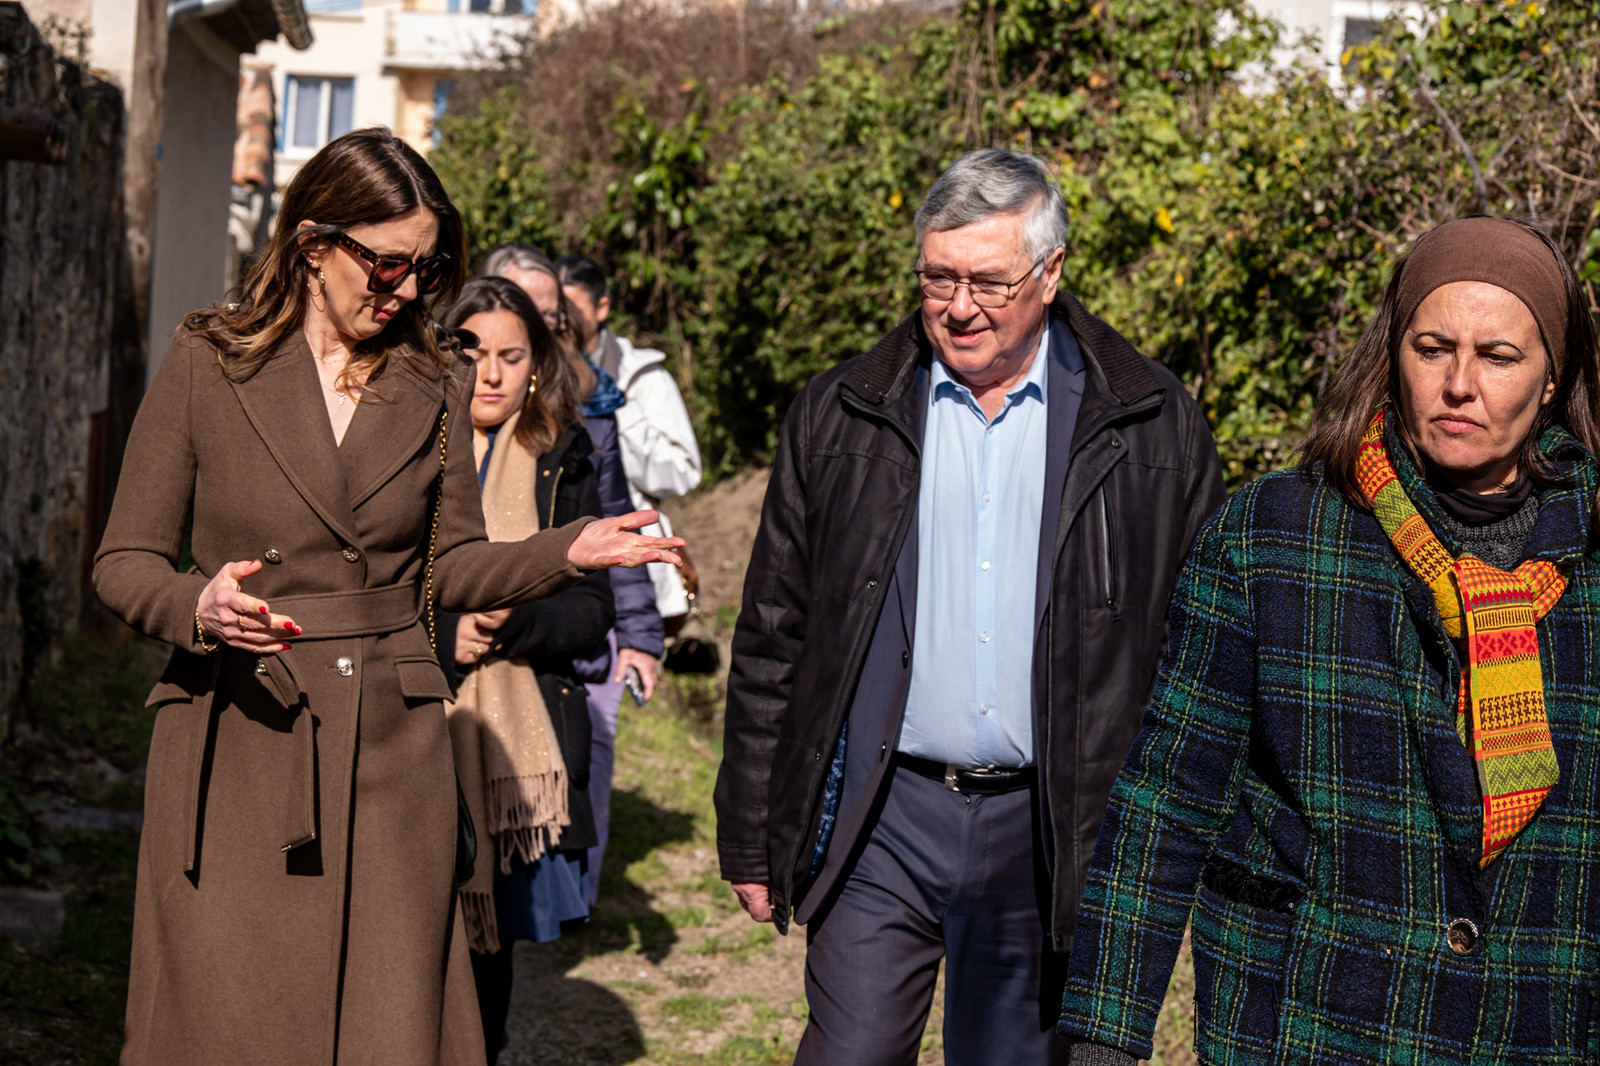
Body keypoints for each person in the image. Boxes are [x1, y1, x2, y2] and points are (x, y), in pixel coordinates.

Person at [92, 128, 681, 1066]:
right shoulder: (210, 358)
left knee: (384, 1024)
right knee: (225, 1025)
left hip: (391, 749)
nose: (405, 289)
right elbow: (124, 558)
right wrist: (198, 607)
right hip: (239, 735)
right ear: (314, 243)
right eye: (386, 263)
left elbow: (453, 565)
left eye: (426, 267)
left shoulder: (433, 377)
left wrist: (573, 548)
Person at [714, 148, 1225, 1064]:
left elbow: (1196, 657)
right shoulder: (844, 414)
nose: (959, 307)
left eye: (988, 282)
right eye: (938, 278)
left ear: (1051, 271)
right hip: (881, 818)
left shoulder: (1152, 424)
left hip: (1046, 834)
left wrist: (1163, 852)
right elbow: (775, 633)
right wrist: (752, 829)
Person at [1058, 216, 1600, 1065]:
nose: (1460, 383)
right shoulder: (1271, 536)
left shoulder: (1590, 557)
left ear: (1551, 375)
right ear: (1394, 355)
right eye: (1433, 348)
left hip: (1540, 1025)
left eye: (1498, 356)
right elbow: (1169, 795)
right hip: (1310, 1020)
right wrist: (1105, 1033)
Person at [436, 277, 616, 1062]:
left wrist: (516, 619)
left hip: (517, 744)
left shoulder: (562, 455)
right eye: (472, 351)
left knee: (487, 950)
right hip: (410, 725)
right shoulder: (402, 445)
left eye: (512, 355)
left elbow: (592, 609)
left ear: (538, 364)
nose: (492, 372)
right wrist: (445, 632)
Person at [484, 242, 663, 903]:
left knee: (578, 769)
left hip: (572, 634)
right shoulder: (447, 405)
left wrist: (641, 636)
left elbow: (618, 527)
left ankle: (567, 899)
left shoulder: (590, 406)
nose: (538, 323)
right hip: (479, 641)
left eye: (549, 311)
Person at [557, 252, 702, 649]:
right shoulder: (532, 372)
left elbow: (682, 473)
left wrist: (616, 409)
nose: (562, 319)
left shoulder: (643, 378)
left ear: (602, 306)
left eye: (571, 307)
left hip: (628, 570)